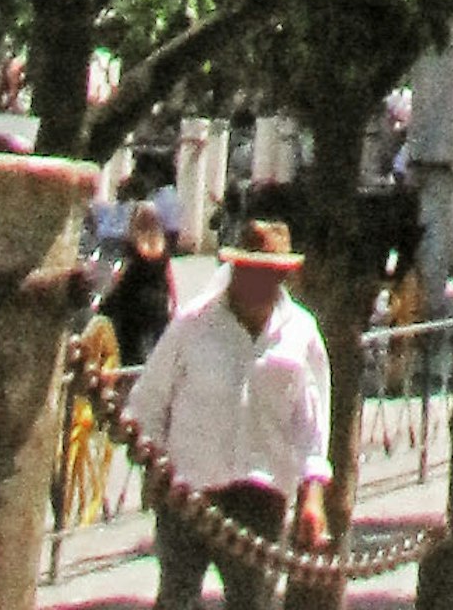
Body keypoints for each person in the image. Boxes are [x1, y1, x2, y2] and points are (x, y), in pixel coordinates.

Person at [125, 216, 332, 610]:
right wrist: (153, 465)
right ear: (235, 269)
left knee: (254, 602)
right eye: (250, 271)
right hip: (188, 488)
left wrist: (312, 497)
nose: (258, 283)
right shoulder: (193, 324)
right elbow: (147, 402)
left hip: (261, 495)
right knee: (176, 600)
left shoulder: (300, 333)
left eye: (269, 274)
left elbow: (311, 424)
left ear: (283, 276)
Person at [104, 201, 179, 369]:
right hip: (157, 303)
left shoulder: (133, 244)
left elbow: (123, 274)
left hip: (133, 301)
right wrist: (173, 304)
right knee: (157, 348)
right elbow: (168, 277)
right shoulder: (162, 246)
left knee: (130, 350)